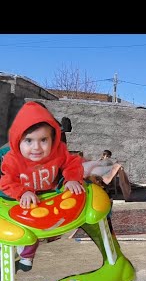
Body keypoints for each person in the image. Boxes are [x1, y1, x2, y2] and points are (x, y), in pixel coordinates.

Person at [0, 101, 84, 271]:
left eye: (43, 140)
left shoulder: (58, 151)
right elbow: (6, 181)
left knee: (36, 228)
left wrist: (72, 179)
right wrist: (22, 192)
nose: (36, 147)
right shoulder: (13, 158)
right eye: (29, 141)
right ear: (17, 140)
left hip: (44, 195)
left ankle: (26, 260)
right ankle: (13, 260)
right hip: (13, 198)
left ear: (52, 139)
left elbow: (72, 163)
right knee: (18, 231)